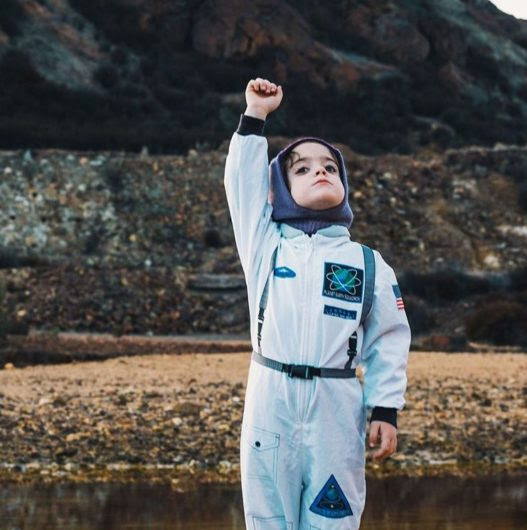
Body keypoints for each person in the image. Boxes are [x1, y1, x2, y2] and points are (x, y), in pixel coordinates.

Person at [224, 77, 411, 530]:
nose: (319, 172)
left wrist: (384, 409)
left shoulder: (367, 263)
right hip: (272, 398)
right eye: (302, 169)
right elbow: (242, 187)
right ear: (279, 191)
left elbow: (389, 339)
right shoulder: (264, 246)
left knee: (335, 519)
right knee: (268, 518)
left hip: (336, 405)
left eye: (329, 166)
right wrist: (255, 116)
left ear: (344, 183)